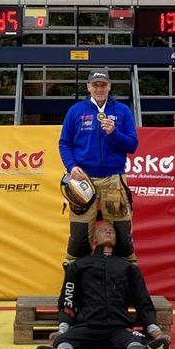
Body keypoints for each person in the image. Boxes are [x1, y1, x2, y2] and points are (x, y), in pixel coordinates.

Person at [35, 221, 171, 349]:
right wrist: (62, 330)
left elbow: (142, 301)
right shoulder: (79, 266)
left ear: (116, 239)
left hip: (118, 328)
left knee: (136, 341)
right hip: (86, 327)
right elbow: (68, 300)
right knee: (62, 341)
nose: (108, 232)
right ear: (94, 239)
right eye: (103, 230)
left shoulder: (128, 268)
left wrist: (155, 332)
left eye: (112, 231)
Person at [58, 68, 138, 263]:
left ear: (109, 86)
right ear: (88, 87)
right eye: (95, 85)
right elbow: (64, 143)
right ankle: (74, 279)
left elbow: (132, 145)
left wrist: (114, 133)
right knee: (79, 239)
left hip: (114, 181)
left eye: (103, 85)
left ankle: (124, 278)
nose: (99, 89)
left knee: (122, 238)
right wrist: (71, 166)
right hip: (83, 181)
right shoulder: (76, 111)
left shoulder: (122, 111)